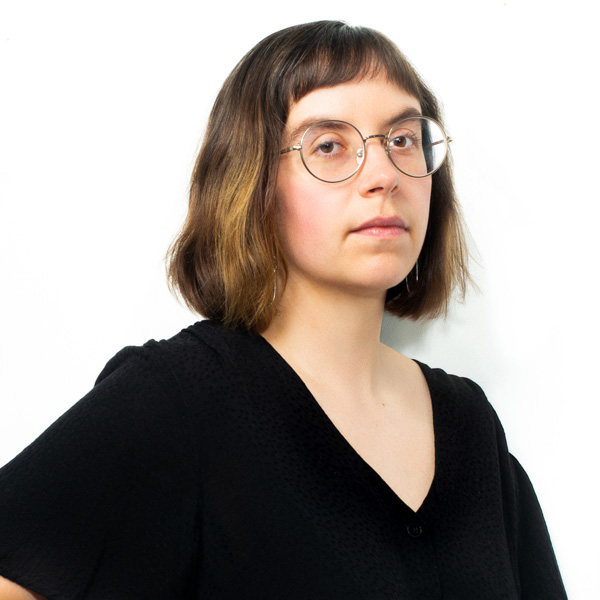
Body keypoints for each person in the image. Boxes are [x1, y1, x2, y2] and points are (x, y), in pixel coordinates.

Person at [0, 20, 566, 600]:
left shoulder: (469, 424)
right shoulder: (180, 399)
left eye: (402, 139)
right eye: (328, 144)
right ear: (252, 182)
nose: (383, 175)